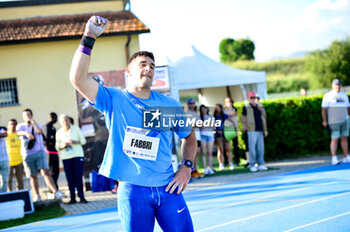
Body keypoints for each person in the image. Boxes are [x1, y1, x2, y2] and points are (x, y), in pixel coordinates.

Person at [69, 16, 196, 232]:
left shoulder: (168, 105)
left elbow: (189, 138)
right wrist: (89, 36)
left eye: (152, 66)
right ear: (128, 72)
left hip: (168, 188)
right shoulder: (114, 99)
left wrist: (186, 168)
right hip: (132, 191)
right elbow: (78, 78)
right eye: (143, 64)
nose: (148, 69)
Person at [16, 109, 65, 202]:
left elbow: (39, 131)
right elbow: (17, 133)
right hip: (27, 154)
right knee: (32, 176)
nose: (27, 116)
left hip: (39, 152)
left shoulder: (37, 124)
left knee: (46, 172)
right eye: (25, 115)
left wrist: (32, 122)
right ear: (23, 117)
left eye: (29, 115)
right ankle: (37, 195)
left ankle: (56, 192)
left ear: (32, 115)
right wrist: (26, 133)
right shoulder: (20, 126)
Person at [56, 114, 88, 204]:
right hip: (66, 157)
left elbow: (83, 141)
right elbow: (57, 147)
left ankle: (81, 197)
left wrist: (74, 142)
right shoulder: (59, 132)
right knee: (70, 178)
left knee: (78, 177)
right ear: (60, 123)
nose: (65, 122)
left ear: (69, 120)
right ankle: (72, 198)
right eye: (63, 121)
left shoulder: (76, 129)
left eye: (66, 120)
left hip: (77, 155)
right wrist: (63, 145)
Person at [321, 79, 350, 165]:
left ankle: (346, 156)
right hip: (334, 121)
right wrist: (324, 121)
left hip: (344, 120)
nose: (338, 86)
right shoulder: (328, 96)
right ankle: (334, 158)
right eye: (336, 85)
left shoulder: (344, 95)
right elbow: (324, 110)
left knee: (344, 138)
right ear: (332, 86)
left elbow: (348, 107)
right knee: (335, 139)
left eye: (339, 85)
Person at [241, 92, 268, 172]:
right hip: (251, 129)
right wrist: (245, 126)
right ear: (249, 99)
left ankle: (261, 164)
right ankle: (252, 164)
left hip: (260, 129)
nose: (253, 99)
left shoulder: (260, 106)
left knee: (261, 148)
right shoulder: (246, 107)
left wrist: (262, 110)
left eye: (254, 98)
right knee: (252, 148)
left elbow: (264, 117)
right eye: (252, 98)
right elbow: (243, 118)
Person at [186, 98, 203, 178]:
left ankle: (195, 169)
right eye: (190, 103)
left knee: (197, 153)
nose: (192, 104)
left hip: (197, 135)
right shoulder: (186, 114)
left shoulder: (197, 114)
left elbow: (200, 124)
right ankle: (190, 171)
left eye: (193, 103)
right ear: (188, 104)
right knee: (190, 154)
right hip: (189, 136)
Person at [213, 104, 234, 171]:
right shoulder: (214, 117)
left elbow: (231, 121)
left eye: (219, 108)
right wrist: (216, 131)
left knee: (228, 149)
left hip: (226, 134)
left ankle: (231, 164)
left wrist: (232, 128)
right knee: (220, 149)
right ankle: (221, 165)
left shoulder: (224, 116)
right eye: (217, 108)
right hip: (218, 135)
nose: (218, 109)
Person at [6, 119, 24, 191]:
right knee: (8, 180)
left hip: (18, 161)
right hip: (8, 162)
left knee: (20, 180)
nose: (13, 125)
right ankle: (9, 195)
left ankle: (21, 194)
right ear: (8, 126)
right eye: (11, 124)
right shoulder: (5, 134)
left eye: (15, 124)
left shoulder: (18, 134)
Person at [199, 105, 215, 175]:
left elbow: (214, 126)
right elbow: (200, 127)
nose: (203, 110)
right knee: (203, 153)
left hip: (210, 136)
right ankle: (205, 168)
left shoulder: (211, 116)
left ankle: (210, 168)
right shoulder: (199, 117)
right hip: (202, 136)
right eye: (202, 109)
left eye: (204, 109)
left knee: (209, 152)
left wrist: (205, 125)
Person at [45, 112, 60, 190]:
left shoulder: (52, 126)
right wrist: (51, 143)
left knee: (56, 170)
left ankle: (55, 186)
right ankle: (53, 188)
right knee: (53, 170)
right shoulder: (48, 126)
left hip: (54, 151)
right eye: (54, 117)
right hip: (51, 152)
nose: (55, 119)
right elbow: (47, 139)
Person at [224, 97, 240, 166]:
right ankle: (226, 161)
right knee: (226, 146)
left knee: (235, 145)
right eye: (227, 102)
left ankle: (237, 160)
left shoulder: (234, 108)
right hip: (227, 128)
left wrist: (226, 115)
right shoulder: (224, 110)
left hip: (234, 128)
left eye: (230, 101)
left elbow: (232, 114)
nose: (229, 103)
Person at [0, 126, 9, 192]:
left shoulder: (2, 128)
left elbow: (5, 134)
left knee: (5, 180)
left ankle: (3, 195)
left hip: (4, 159)